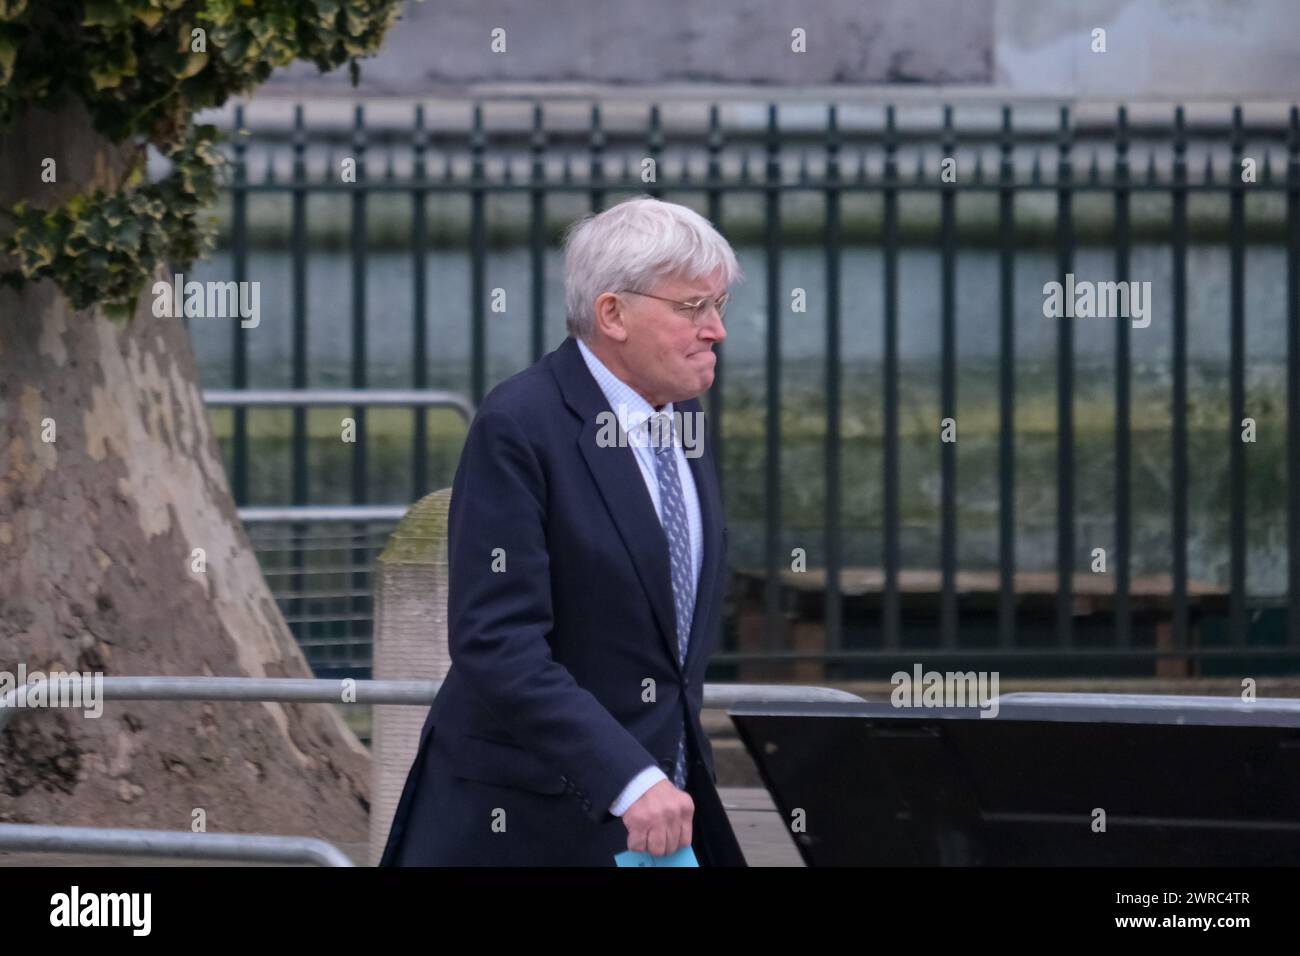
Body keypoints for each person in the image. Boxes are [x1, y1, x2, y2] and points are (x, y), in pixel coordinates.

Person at [380, 196, 747, 866]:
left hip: (662, 821)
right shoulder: (520, 425)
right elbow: (497, 641)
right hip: (530, 822)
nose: (716, 329)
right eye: (693, 307)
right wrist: (629, 778)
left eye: (720, 305)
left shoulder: (680, 421)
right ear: (613, 314)